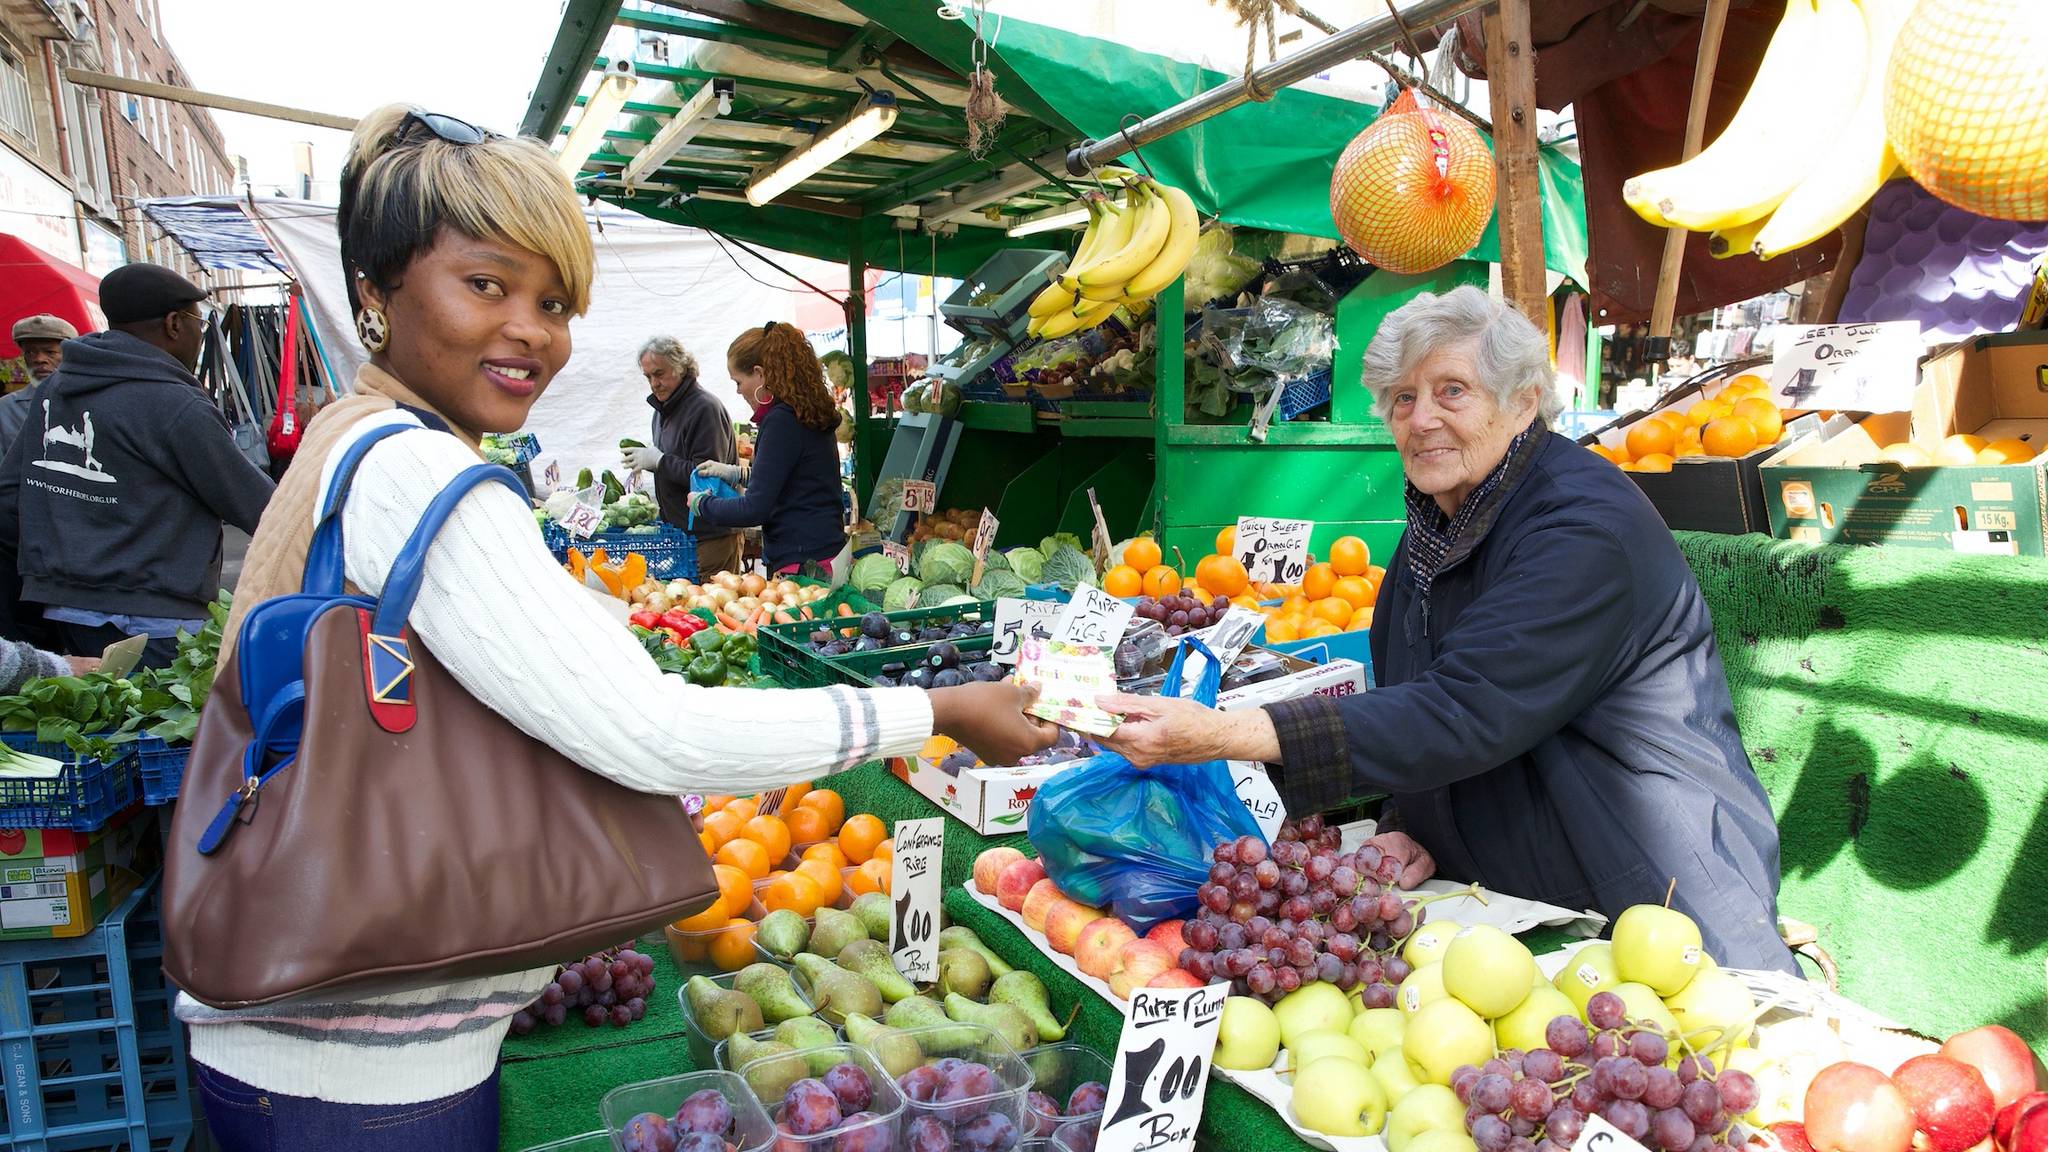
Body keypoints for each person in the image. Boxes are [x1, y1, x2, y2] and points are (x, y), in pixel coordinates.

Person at [180, 104, 1054, 1152]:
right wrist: (940, 707)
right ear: (375, 292)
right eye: (484, 285)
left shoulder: (358, 435)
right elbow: (653, 733)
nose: (531, 331)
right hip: (359, 1087)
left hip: (317, 1058)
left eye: (552, 300)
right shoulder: (416, 469)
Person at [1099, 286, 1796, 973]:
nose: (1421, 417)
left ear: (1523, 400)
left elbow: (1464, 708)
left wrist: (1222, 733)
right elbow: (1417, 693)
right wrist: (1408, 825)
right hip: (1513, 912)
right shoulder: (1436, 529)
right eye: (1403, 398)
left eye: (1452, 390)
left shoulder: (1585, 529)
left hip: (1654, 900)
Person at [0, 265, 273, 668]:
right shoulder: (176, 404)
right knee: (166, 725)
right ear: (174, 323)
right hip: (157, 623)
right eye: (200, 323)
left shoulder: (57, 390)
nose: (201, 336)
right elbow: (263, 509)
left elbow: (9, 496)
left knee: (101, 724)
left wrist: (72, 552)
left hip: (67, 614)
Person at [690, 323, 850, 581]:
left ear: (759, 374)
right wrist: (740, 474)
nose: (738, 390)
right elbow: (797, 480)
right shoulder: (804, 411)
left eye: (738, 381)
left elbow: (754, 509)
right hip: (825, 554)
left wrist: (702, 504)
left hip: (804, 566)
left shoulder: (781, 421)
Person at [620, 335, 743, 574]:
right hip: (682, 536)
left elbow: (708, 477)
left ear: (680, 368)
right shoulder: (663, 411)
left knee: (709, 607)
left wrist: (659, 461)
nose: (654, 383)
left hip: (710, 537)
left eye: (659, 374)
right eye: (648, 377)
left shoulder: (704, 408)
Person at [1, 314, 78, 447]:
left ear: (69, 355)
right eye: (30, 352)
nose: (39, 359)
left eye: (50, 352)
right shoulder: (5, 409)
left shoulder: (87, 402)